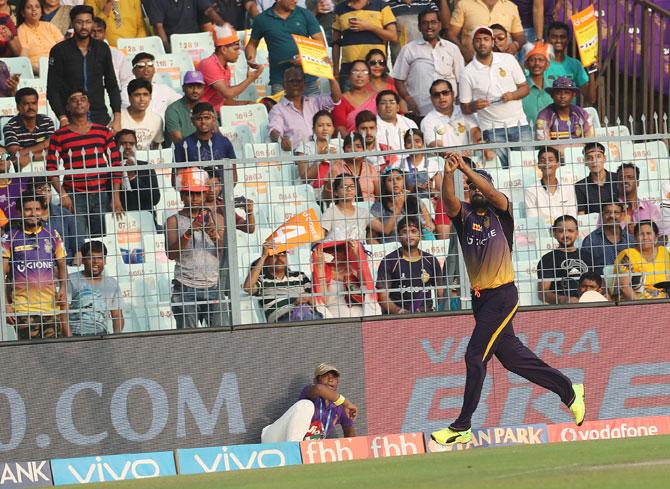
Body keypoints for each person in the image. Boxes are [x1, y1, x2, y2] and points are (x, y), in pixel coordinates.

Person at [431, 152, 584, 448]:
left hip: (502, 295)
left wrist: (466, 167)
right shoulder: (465, 217)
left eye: (479, 186)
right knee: (513, 359)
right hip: (481, 300)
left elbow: (490, 192)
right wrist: (450, 172)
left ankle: (461, 426)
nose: (475, 191)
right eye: (470, 188)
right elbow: (448, 201)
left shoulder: (502, 212)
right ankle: (569, 391)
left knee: (475, 357)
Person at [46, 89, 123, 238]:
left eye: (83, 99)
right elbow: (51, 168)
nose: (79, 102)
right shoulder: (59, 135)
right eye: (74, 100)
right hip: (74, 195)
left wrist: (115, 196)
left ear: (88, 104)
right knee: (78, 239)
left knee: (102, 240)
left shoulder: (103, 132)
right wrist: (63, 195)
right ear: (67, 107)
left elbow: (115, 165)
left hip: (100, 193)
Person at [459, 25, 530, 169]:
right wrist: (474, 105)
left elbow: (525, 89)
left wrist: (512, 95)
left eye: (486, 39)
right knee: (502, 173)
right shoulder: (467, 72)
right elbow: (464, 108)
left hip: (519, 123)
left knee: (527, 169)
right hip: (492, 129)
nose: (482, 43)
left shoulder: (508, 60)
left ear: (492, 42)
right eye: (478, 40)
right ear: (473, 44)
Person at [165, 167, 227, 329]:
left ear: (205, 194)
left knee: (221, 337)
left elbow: (224, 253)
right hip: (185, 286)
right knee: (188, 340)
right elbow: (171, 254)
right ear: (181, 195)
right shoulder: (173, 221)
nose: (193, 198)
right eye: (188, 193)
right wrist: (189, 232)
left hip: (213, 285)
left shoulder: (217, 218)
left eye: (198, 193)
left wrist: (216, 238)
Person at [2, 190, 69, 340]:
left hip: (50, 308)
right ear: (20, 211)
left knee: (53, 352)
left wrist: (63, 287)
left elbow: (62, 265)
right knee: (30, 354)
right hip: (23, 309)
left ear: (43, 211)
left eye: (37, 209)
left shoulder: (52, 234)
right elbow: (2, 274)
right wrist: (6, 304)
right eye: (28, 209)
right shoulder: (10, 237)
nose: (33, 213)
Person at [47, 5, 121, 130]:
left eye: (88, 22)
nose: (84, 26)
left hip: (100, 117)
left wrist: (117, 118)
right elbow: (53, 89)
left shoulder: (102, 48)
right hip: (71, 118)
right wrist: (62, 117)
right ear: (72, 23)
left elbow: (112, 84)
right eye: (79, 22)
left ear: (92, 22)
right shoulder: (59, 50)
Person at [392, 9, 464, 117]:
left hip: (450, 112)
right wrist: (408, 99)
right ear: (419, 27)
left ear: (440, 25)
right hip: (420, 112)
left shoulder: (452, 49)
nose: (429, 26)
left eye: (433, 22)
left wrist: (459, 104)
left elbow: (461, 79)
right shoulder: (409, 49)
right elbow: (398, 79)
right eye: (425, 23)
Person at [261, 363, 358, 442]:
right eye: (325, 376)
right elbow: (319, 389)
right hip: (275, 437)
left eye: (334, 377)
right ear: (315, 380)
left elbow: (350, 437)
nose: (330, 379)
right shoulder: (310, 391)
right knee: (306, 405)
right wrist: (346, 403)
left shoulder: (341, 408)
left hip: (306, 446)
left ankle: (296, 451)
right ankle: (293, 449)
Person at [245, 0, 325, 95]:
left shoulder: (305, 14)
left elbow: (321, 44)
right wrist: (251, 58)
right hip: (280, 80)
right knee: (281, 110)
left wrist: (305, 57)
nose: (295, 1)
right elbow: (252, 44)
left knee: (314, 110)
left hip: (307, 79)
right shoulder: (262, 19)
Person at [376, 216, 444, 314]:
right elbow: (382, 296)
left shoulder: (430, 260)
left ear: (420, 235)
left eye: (413, 231)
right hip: (397, 318)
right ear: (398, 236)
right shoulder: (389, 261)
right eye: (404, 231)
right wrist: (399, 311)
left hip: (426, 315)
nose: (409, 235)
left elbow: (441, 293)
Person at [243, 242, 321, 323]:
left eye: (283, 254)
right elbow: (248, 287)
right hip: (283, 319)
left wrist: (307, 297)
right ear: (266, 260)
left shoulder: (300, 275)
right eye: (274, 255)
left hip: (309, 314)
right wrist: (263, 256)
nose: (279, 258)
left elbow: (316, 299)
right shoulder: (262, 281)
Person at [268, 65, 341, 151]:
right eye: (291, 81)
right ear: (284, 85)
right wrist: (281, 139)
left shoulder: (314, 101)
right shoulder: (278, 109)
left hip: (321, 151)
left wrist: (329, 75)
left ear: (304, 84)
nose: (295, 84)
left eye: (299, 81)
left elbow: (336, 98)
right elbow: (274, 130)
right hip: (297, 156)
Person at [198, 25, 264, 113]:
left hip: (217, 112)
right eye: (235, 49)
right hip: (205, 115)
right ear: (224, 49)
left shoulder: (225, 67)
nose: (239, 53)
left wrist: (246, 103)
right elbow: (228, 93)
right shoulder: (208, 64)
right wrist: (251, 79)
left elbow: (224, 100)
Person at [331, 0, 396, 88]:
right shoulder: (340, 8)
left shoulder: (381, 5)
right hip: (349, 70)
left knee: (377, 100)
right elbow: (336, 42)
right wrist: (335, 71)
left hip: (375, 67)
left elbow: (393, 36)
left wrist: (369, 27)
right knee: (349, 100)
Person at [68, 240, 124, 335]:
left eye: (100, 258)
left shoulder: (112, 284)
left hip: (101, 337)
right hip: (76, 336)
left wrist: (116, 338)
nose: (96, 262)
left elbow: (117, 315)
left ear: (105, 261)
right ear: (83, 260)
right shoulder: (70, 280)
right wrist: (69, 339)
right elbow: (63, 313)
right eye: (91, 258)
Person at [173, 102, 236, 182]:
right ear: (192, 121)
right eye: (199, 119)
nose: (203, 122)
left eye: (207, 118)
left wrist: (221, 191)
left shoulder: (224, 142)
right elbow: (176, 180)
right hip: (194, 192)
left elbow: (233, 175)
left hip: (220, 191)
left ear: (213, 120)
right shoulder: (182, 145)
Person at [447, 0, 525, 62]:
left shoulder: (511, 7)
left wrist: (515, 45)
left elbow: (520, 36)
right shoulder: (464, 4)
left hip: (503, 63)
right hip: (473, 62)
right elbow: (451, 34)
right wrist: (464, 51)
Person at [371, 167, 434, 243]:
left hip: (418, 245)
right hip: (391, 248)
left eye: (398, 179)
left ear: (404, 181)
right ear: (385, 184)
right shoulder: (378, 207)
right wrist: (398, 207)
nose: (395, 182)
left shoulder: (415, 200)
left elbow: (430, 225)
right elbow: (372, 236)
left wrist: (427, 227)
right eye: (390, 180)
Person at [537, 215, 589, 304]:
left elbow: (601, 285)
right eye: (561, 231)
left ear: (577, 233)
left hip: (590, 305)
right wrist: (563, 300)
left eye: (570, 231)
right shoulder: (547, 259)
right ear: (554, 233)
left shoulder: (588, 256)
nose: (566, 235)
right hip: (561, 309)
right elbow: (543, 293)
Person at [614, 220, 670, 301]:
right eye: (641, 234)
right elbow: (624, 287)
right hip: (637, 302)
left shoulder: (664, 252)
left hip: (665, 301)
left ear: (656, 236)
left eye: (649, 233)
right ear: (635, 237)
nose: (645, 237)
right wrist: (641, 305)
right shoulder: (628, 255)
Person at [33, 177, 84, 265]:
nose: (44, 194)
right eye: (40, 190)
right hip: (41, 267)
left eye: (48, 190)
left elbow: (78, 244)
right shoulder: (27, 218)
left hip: (66, 263)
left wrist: (75, 266)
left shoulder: (64, 214)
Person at [3, 87, 55, 171]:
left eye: (33, 103)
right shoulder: (10, 127)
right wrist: (43, 145)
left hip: (46, 168)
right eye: (26, 104)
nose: (31, 107)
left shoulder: (47, 121)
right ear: (18, 106)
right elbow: (16, 155)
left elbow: (53, 150)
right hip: (20, 171)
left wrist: (30, 156)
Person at [321, 173, 383, 241]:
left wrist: (396, 210)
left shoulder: (363, 212)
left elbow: (384, 229)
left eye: (352, 186)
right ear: (336, 192)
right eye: (344, 186)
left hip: (359, 251)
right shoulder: (330, 212)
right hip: (337, 251)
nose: (349, 189)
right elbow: (320, 235)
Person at [144, 0, 225, 52]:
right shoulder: (156, 2)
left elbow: (209, 10)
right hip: (174, 44)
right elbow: (158, 27)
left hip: (197, 42)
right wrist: (168, 50)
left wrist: (223, 25)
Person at [545, 21, 596, 106]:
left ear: (568, 40)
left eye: (562, 37)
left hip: (569, 116)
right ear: (548, 39)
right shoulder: (540, 63)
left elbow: (591, 99)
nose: (558, 40)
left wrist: (591, 72)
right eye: (554, 37)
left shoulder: (575, 64)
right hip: (545, 116)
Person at [524, 146, 577, 225]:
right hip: (542, 233)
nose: (547, 163)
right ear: (538, 165)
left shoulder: (568, 188)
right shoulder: (531, 190)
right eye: (543, 160)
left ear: (558, 164)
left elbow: (572, 215)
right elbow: (533, 220)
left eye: (551, 160)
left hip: (565, 232)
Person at [420, 78, 480, 149]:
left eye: (445, 93)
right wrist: (454, 155)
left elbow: (475, 132)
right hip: (445, 159)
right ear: (431, 99)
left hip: (469, 157)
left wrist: (479, 143)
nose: (441, 97)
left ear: (452, 94)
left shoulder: (464, 111)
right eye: (436, 95)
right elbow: (435, 145)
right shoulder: (428, 120)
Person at [321, 132, 379, 203]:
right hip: (344, 210)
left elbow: (379, 196)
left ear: (364, 150)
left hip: (370, 209)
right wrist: (330, 181)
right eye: (349, 146)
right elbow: (326, 198)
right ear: (344, 150)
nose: (354, 149)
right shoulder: (336, 167)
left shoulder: (370, 168)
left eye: (358, 146)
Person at [580, 201, 635, 275]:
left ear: (622, 215)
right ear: (602, 215)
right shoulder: (591, 241)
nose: (612, 216)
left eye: (616, 212)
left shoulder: (630, 240)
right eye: (608, 212)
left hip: (627, 284)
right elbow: (585, 270)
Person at [124, 52, 181, 119]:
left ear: (154, 70)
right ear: (133, 71)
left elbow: (181, 103)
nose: (146, 69)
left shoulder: (164, 89)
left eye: (150, 65)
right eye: (141, 66)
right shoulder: (126, 91)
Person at [536, 76, 594, 143]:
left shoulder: (582, 113)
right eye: (558, 93)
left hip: (580, 151)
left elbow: (590, 138)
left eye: (567, 92)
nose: (562, 96)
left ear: (573, 95)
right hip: (554, 151)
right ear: (552, 95)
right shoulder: (544, 115)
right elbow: (544, 143)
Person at [115, 129, 161, 213]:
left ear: (136, 146)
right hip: (120, 218)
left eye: (131, 143)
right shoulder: (111, 169)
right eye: (123, 143)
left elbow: (155, 199)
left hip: (144, 217)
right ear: (116, 146)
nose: (128, 146)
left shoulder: (146, 167)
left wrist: (133, 178)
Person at [393, 128, 442, 201]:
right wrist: (413, 189)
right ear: (405, 146)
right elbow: (393, 192)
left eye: (417, 141)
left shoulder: (433, 164)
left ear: (423, 144)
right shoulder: (398, 165)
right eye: (409, 142)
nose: (413, 144)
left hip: (429, 204)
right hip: (406, 205)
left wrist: (431, 190)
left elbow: (441, 192)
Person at [16, 0, 64, 75]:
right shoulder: (21, 31)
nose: (34, 9)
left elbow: (64, 49)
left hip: (58, 68)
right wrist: (41, 71)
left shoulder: (49, 26)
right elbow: (23, 59)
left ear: (41, 11)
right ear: (23, 13)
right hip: (37, 72)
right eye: (29, 7)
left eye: (37, 7)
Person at [294, 109, 338, 189]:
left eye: (328, 125)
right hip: (309, 192)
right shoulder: (304, 148)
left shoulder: (339, 145)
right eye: (320, 125)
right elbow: (305, 178)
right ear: (313, 129)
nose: (325, 128)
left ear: (333, 129)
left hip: (334, 191)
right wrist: (321, 157)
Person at [332, 59, 378, 135]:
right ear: (349, 76)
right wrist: (354, 144)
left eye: (364, 71)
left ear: (369, 77)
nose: (359, 75)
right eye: (355, 71)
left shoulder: (377, 98)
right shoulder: (341, 100)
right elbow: (340, 128)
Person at [91, 17, 134, 98]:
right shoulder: (79, 54)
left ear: (104, 33)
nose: (96, 35)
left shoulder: (117, 54)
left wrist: (120, 99)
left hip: (116, 97)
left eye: (99, 31)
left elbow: (127, 80)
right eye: (92, 31)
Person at [616, 162, 662, 236]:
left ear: (637, 183)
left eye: (630, 177)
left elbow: (660, 236)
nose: (625, 181)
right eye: (622, 178)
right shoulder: (608, 209)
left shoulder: (651, 208)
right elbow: (600, 238)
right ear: (617, 183)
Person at [574, 142, 619, 215]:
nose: (594, 161)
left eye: (598, 156)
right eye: (589, 158)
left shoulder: (617, 179)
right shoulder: (580, 186)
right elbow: (581, 213)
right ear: (585, 161)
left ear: (604, 158)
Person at [120, 78, 164, 150]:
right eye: (137, 95)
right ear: (129, 97)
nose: (142, 99)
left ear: (150, 97)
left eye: (145, 94)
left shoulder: (157, 119)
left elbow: (158, 145)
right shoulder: (119, 117)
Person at [165, 71, 205, 146]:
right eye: (191, 87)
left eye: (199, 87)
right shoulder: (173, 110)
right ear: (183, 88)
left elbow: (216, 133)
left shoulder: (207, 108)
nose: (195, 91)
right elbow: (178, 140)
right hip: (181, 153)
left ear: (203, 89)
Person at [521, 40, 554, 124]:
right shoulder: (520, 87)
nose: (537, 63)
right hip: (526, 134)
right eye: (532, 60)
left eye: (541, 60)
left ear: (547, 65)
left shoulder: (554, 86)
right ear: (526, 64)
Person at [0, 146, 28, 221]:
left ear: (10, 160)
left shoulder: (23, 180)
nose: (2, 159)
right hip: (8, 229)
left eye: (5, 156)